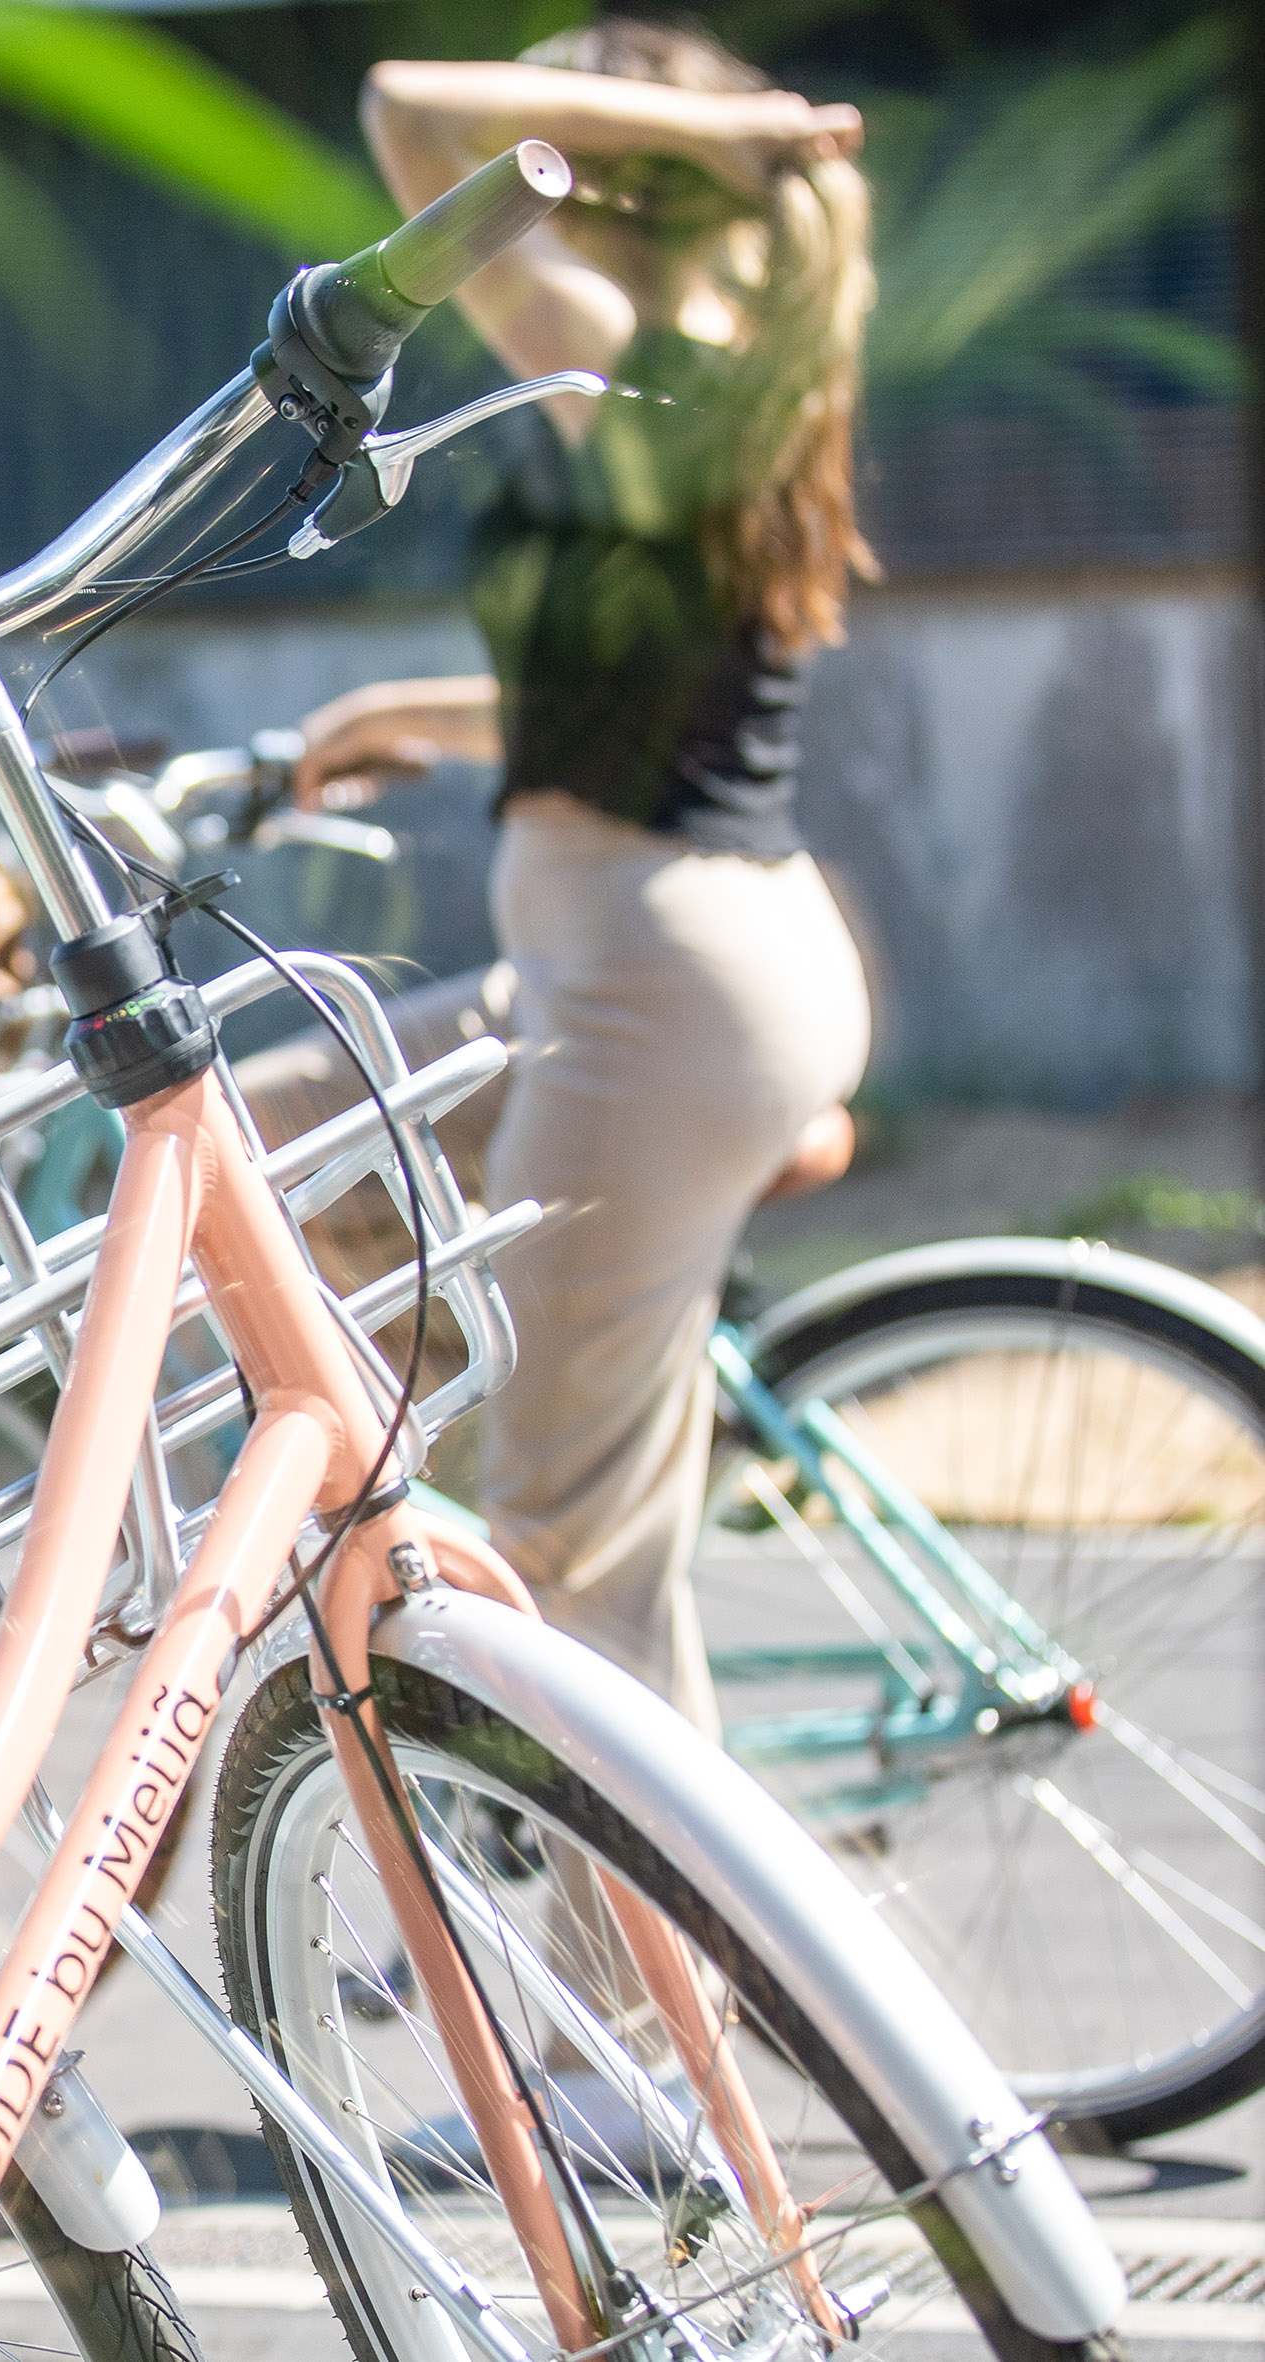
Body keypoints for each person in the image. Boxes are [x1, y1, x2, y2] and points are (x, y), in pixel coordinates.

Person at [282, 18, 878, 1728]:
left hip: (656, 993)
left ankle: (611, 1901)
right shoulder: (692, 382)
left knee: (565, 1567)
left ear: (613, 179)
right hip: (639, 971)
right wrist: (402, 713)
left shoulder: (652, 356)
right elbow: (636, 700)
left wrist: (726, 133)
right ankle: (418, 1581)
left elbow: (407, 108)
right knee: (271, 1158)